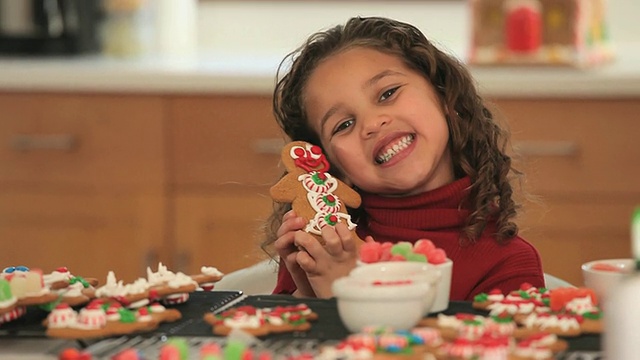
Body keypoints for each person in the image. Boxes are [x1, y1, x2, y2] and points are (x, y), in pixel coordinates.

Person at [260, 16, 544, 301]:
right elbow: (286, 343)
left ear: (444, 95)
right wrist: (305, 295)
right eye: (343, 125)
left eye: (387, 93)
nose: (372, 123)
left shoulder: (508, 264)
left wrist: (346, 295)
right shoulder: (326, 244)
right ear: (330, 166)